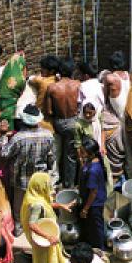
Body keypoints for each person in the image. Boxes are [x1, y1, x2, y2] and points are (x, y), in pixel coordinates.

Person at [3, 105, 55, 229]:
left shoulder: (18, 138)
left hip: (20, 177)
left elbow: (4, 154)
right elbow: (51, 158)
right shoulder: (48, 135)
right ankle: (39, 227)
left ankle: (19, 228)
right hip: (39, 178)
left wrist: (3, 137)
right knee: (38, 203)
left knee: (19, 207)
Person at [20, 173, 67, 263]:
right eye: (47, 184)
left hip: (44, 234)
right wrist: (49, 237)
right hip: (42, 239)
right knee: (42, 262)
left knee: (49, 258)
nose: (49, 187)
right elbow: (32, 224)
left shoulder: (33, 195)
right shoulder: (36, 205)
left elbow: (47, 205)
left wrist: (60, 205)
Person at [44, 59, 81, 187]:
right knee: (70, 155)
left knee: (56, 153)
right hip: (73, 121)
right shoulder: (77, 85)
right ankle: (69, 183)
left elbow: (49, 111)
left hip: (58, 122)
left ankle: (54, 182)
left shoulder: (52, 87)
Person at [78, 137, 108, 249]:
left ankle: (100, 250)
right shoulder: (93, 161)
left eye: (82, 151)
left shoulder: (93, 171)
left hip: (94, 204)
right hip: (92, 201)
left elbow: (93, 192)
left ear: (90, 153)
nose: (80, 153)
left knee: (96, 228)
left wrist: (85, 209)